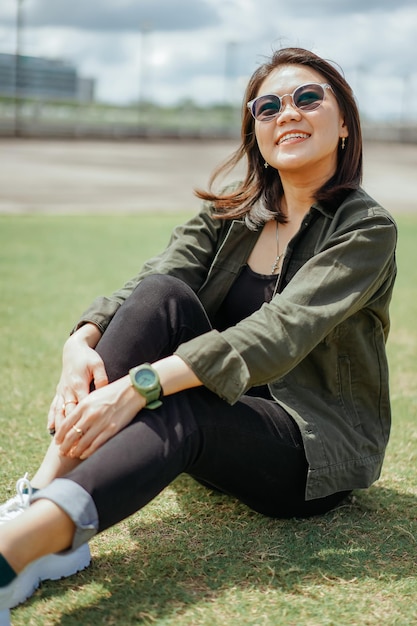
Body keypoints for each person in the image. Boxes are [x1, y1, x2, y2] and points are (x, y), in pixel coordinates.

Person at [0, 46, 397, 624]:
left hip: (306, 447)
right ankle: (37, 496)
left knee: (176, 405)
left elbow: (280, 332)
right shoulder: (232, 214)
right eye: (268, 107)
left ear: (343, 124)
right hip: (222, 411)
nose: (287, 113)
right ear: (256, 133)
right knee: (161, 299)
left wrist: (142, 384)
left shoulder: (365, 229)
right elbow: (154, 283)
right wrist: (79, 340)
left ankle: (17, 550)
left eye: (308, 98)